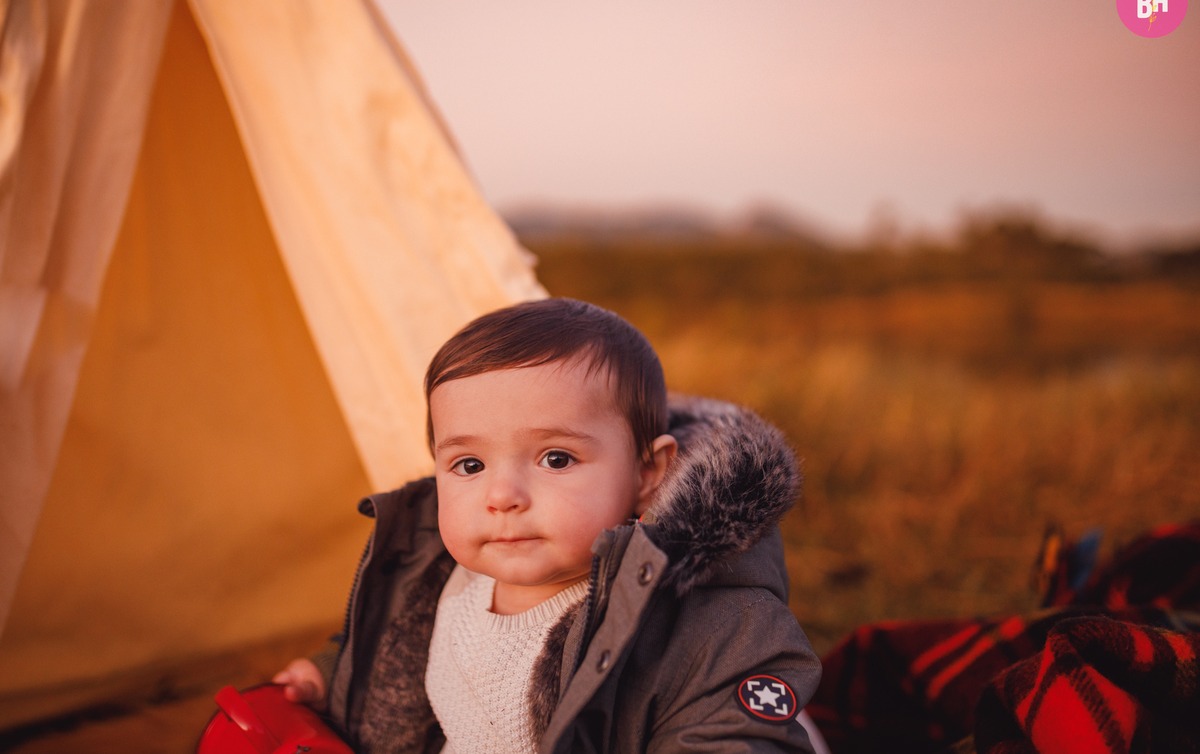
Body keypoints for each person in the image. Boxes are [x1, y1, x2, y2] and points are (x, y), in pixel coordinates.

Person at [273, 298, 821, 753]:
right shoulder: (437, 570)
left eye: (556, 459)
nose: (502, 497)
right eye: (469, 465)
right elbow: (386, 645)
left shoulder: (710, 626)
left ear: (646, 474)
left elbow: (734, 735)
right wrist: (332, 673)